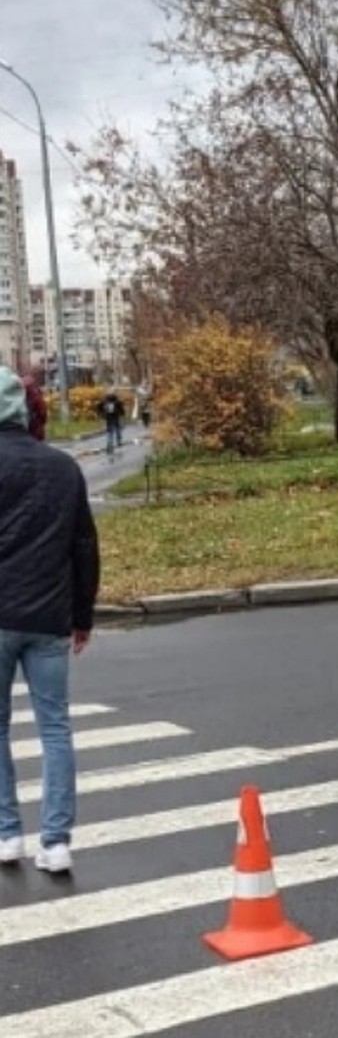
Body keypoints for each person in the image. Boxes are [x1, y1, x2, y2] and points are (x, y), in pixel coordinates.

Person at [0, 365, 99, 875]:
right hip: (49, 618)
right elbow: (84, 547)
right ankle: (56, 842)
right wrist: (82, 615)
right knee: (54, 728)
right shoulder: (63, 468)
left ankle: (7, 835)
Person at [98, 386, 125, 456]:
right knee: (111, 433)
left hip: (114, 418)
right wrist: (102, 414)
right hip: (109, 419)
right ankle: (110, 447)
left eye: (112, 392)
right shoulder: (105, 401)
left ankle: (117, 441)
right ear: (107, 393)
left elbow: (121, 409)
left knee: (117, 431)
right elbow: (99, 407)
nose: (110, 393)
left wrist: (122, 416)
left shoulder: (117, 401)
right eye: (109, 392)